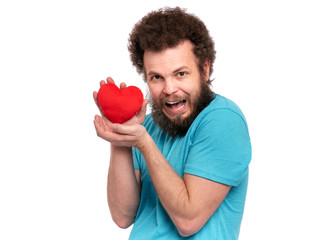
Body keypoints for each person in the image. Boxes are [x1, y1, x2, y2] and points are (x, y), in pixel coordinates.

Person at [93, 7, 251, 240]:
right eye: (157, 77)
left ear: (204, 69)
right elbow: (122, 216)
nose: (169, 89)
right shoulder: (146, 127)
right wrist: (119, 135)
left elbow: (188, 221)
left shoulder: (223, 120)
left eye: (181, 74)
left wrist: (144, 144)